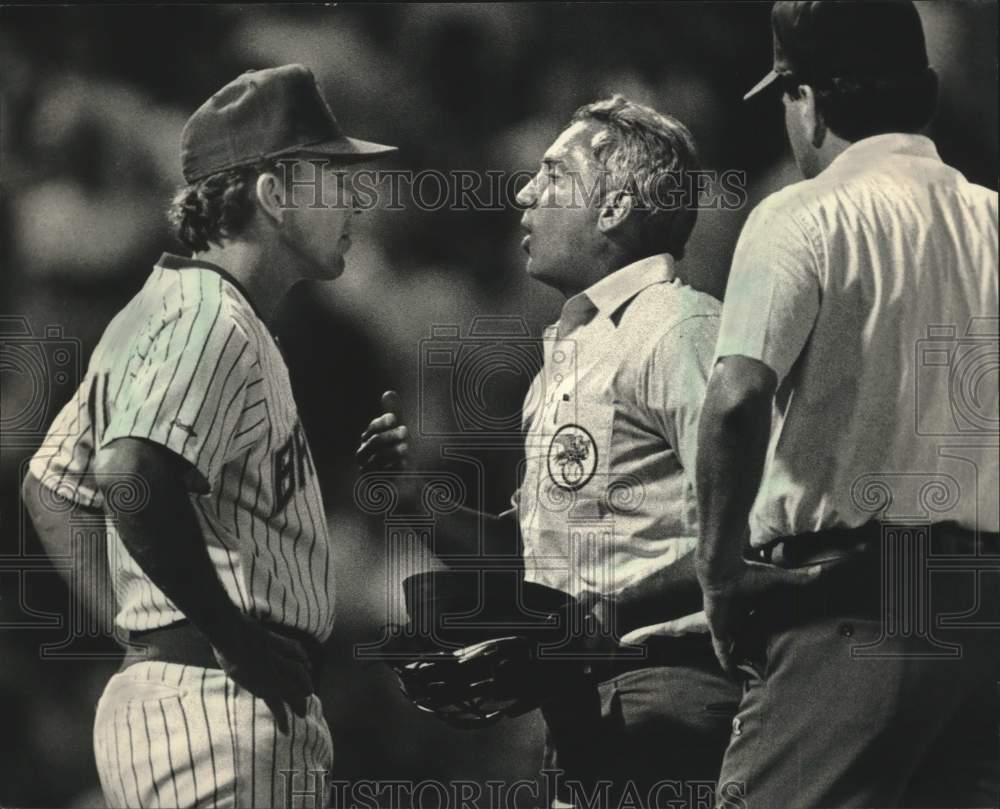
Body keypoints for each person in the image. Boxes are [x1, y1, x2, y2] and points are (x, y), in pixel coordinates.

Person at [22, 63, 396, 809]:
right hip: (218, 712)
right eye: (332, 175)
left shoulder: (170, 308)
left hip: (194, 696)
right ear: (272, 194)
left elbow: (51, 487)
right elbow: (130, 469)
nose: (357, 196)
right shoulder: (210, 318)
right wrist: (225, 636)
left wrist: (147, 637)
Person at [358, 96, 740, 809]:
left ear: (616, 207)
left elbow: (755, 525)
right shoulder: (567, 353)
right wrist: (412, 500)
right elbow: (533, 571)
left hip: (671, 697)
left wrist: (606, 614)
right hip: (584, 712)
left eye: (554, 175)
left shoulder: (680, 330)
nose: (525, 192)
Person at [691, 2, 1000, 807]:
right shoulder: (995, 221)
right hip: (984, 624)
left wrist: (720, 578)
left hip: (853, 616)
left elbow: (734, 400)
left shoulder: (804, 213)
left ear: (808, 97)